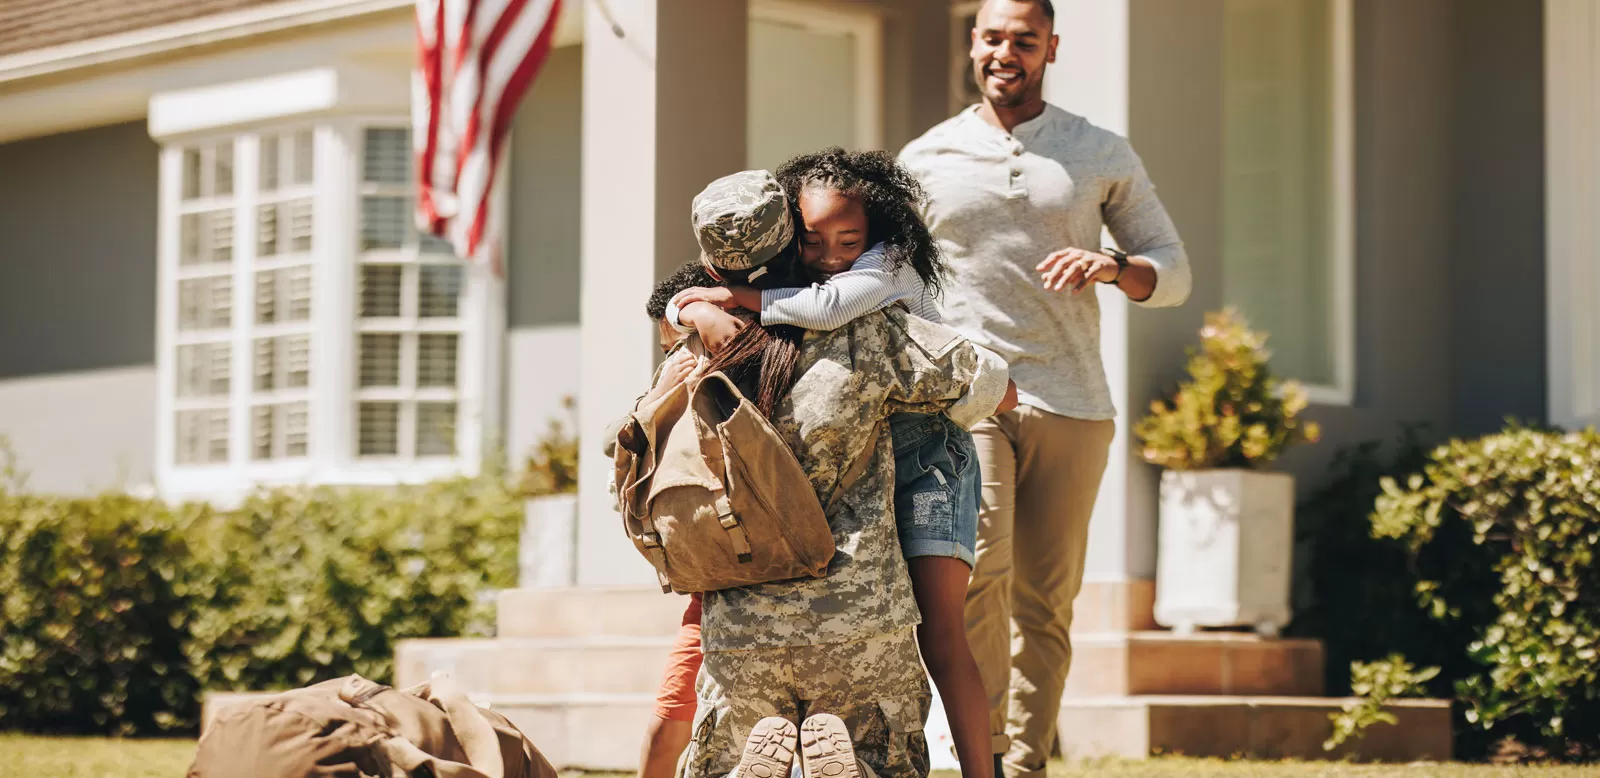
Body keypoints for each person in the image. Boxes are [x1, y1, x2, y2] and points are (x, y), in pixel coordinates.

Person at [624, 169, 1011, 778]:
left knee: (723, 746)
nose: (830, 255)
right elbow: (998, 389)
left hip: (735, 622)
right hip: (859, 617)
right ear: (791, 235)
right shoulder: (870, 328)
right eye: (813, 239)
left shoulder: (687, 355)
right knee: (891, 733)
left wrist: (695, 308)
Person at [898, 1, 1192, 775]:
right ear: (973, 43)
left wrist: (1114, 266)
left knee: (1047, 604)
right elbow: (888, 278)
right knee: (977, 581)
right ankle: (981, 758)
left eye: (1024, 40)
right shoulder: (926, 158)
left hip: (1075, 403)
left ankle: (1026, 763)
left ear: (1050, 48)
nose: (1007, 52)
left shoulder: (1096, 150)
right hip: (972, 400)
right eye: (993, 37)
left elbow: (1172, 266)